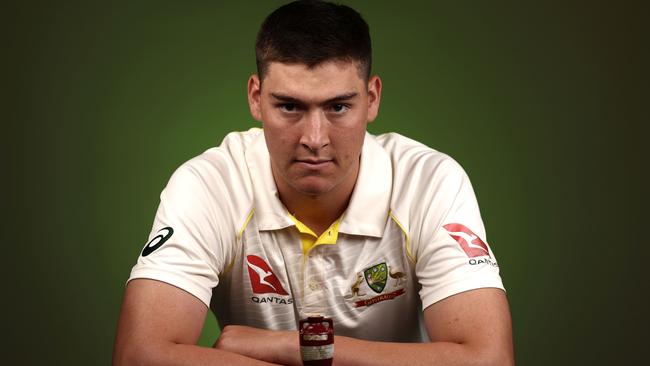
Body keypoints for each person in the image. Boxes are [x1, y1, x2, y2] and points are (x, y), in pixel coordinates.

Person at [113, 1, 514, 365]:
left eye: (338, 107)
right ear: (256, 98)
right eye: (289, 106)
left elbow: (490, 360)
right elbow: (138, 356)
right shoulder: (209, 184)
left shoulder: (429, 182)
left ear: (372, 99)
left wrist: (291, 346)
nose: (315, 138)